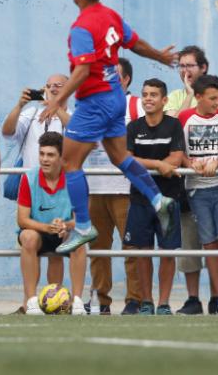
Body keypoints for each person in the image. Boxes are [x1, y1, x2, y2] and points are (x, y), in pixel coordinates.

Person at [40, 0, 177, 255]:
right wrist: (160, 56)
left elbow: (83, 69)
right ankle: (156, 198)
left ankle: (84, 226)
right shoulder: (110, 15)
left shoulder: (81, 27)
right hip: (116, 96)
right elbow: (135, 42)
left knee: (69, 164)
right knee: (119, 156)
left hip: (95, 101)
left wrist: (57, 99)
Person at [165, 45, 218, 315]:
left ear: (202, 67)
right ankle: (194, 298)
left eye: (190, 65)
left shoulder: (217, 99)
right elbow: (175, 127)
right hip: (190, 188)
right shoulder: (175, 98)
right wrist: (187, 95)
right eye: (181, 66)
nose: (185, 70)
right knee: (193, 244)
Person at [179, 74, 218, 315]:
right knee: (210, 245)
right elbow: (178, 149)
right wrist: (189, 162)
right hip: (197, 189)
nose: (217, 102)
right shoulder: (185, 117)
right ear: (198, 97)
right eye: (212, 98)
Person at [85, 57, 144, 315]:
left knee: (131, 248)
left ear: (126, 79)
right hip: (94, 187)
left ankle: (134, 300)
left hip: (125, 188)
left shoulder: (137, 106)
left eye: (113, 75)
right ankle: (102, 301)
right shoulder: (90, 104)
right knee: (97, 250)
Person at [125, 78, 184, 315]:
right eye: (145, 94)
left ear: (164, 100)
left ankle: (163, 303)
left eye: (153, 95)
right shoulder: (133, 128)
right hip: (140, 198)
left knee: (168, 252)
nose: (148, 98)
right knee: (142, 251)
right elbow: (128, 160)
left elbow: (177, 159)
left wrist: (156, 164)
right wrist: (159, 164)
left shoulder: (173, 126)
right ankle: (147, 301)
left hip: (169, 198)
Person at [17, 132, 87, 315]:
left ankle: (78, 303)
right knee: (28, 237)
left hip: (64, 233)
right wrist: (46, 228)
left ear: (62, 158)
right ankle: (31, 302)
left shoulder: (75, 179)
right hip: (38, 232)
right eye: (42, 154)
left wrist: (66, 226)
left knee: (79, 239)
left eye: (50, 155)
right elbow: (22, 220)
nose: (44, 159)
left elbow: (81, 219)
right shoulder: (28, 178)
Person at [2, 74, 71, 169]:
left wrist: (54, 105)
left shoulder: (73, 117)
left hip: (62, 181)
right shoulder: (32, 114)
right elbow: (7, 132)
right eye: (48, 86)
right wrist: (19, 106)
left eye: (57, 85)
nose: (51, 89)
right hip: (31, 181)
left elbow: (77, 131)